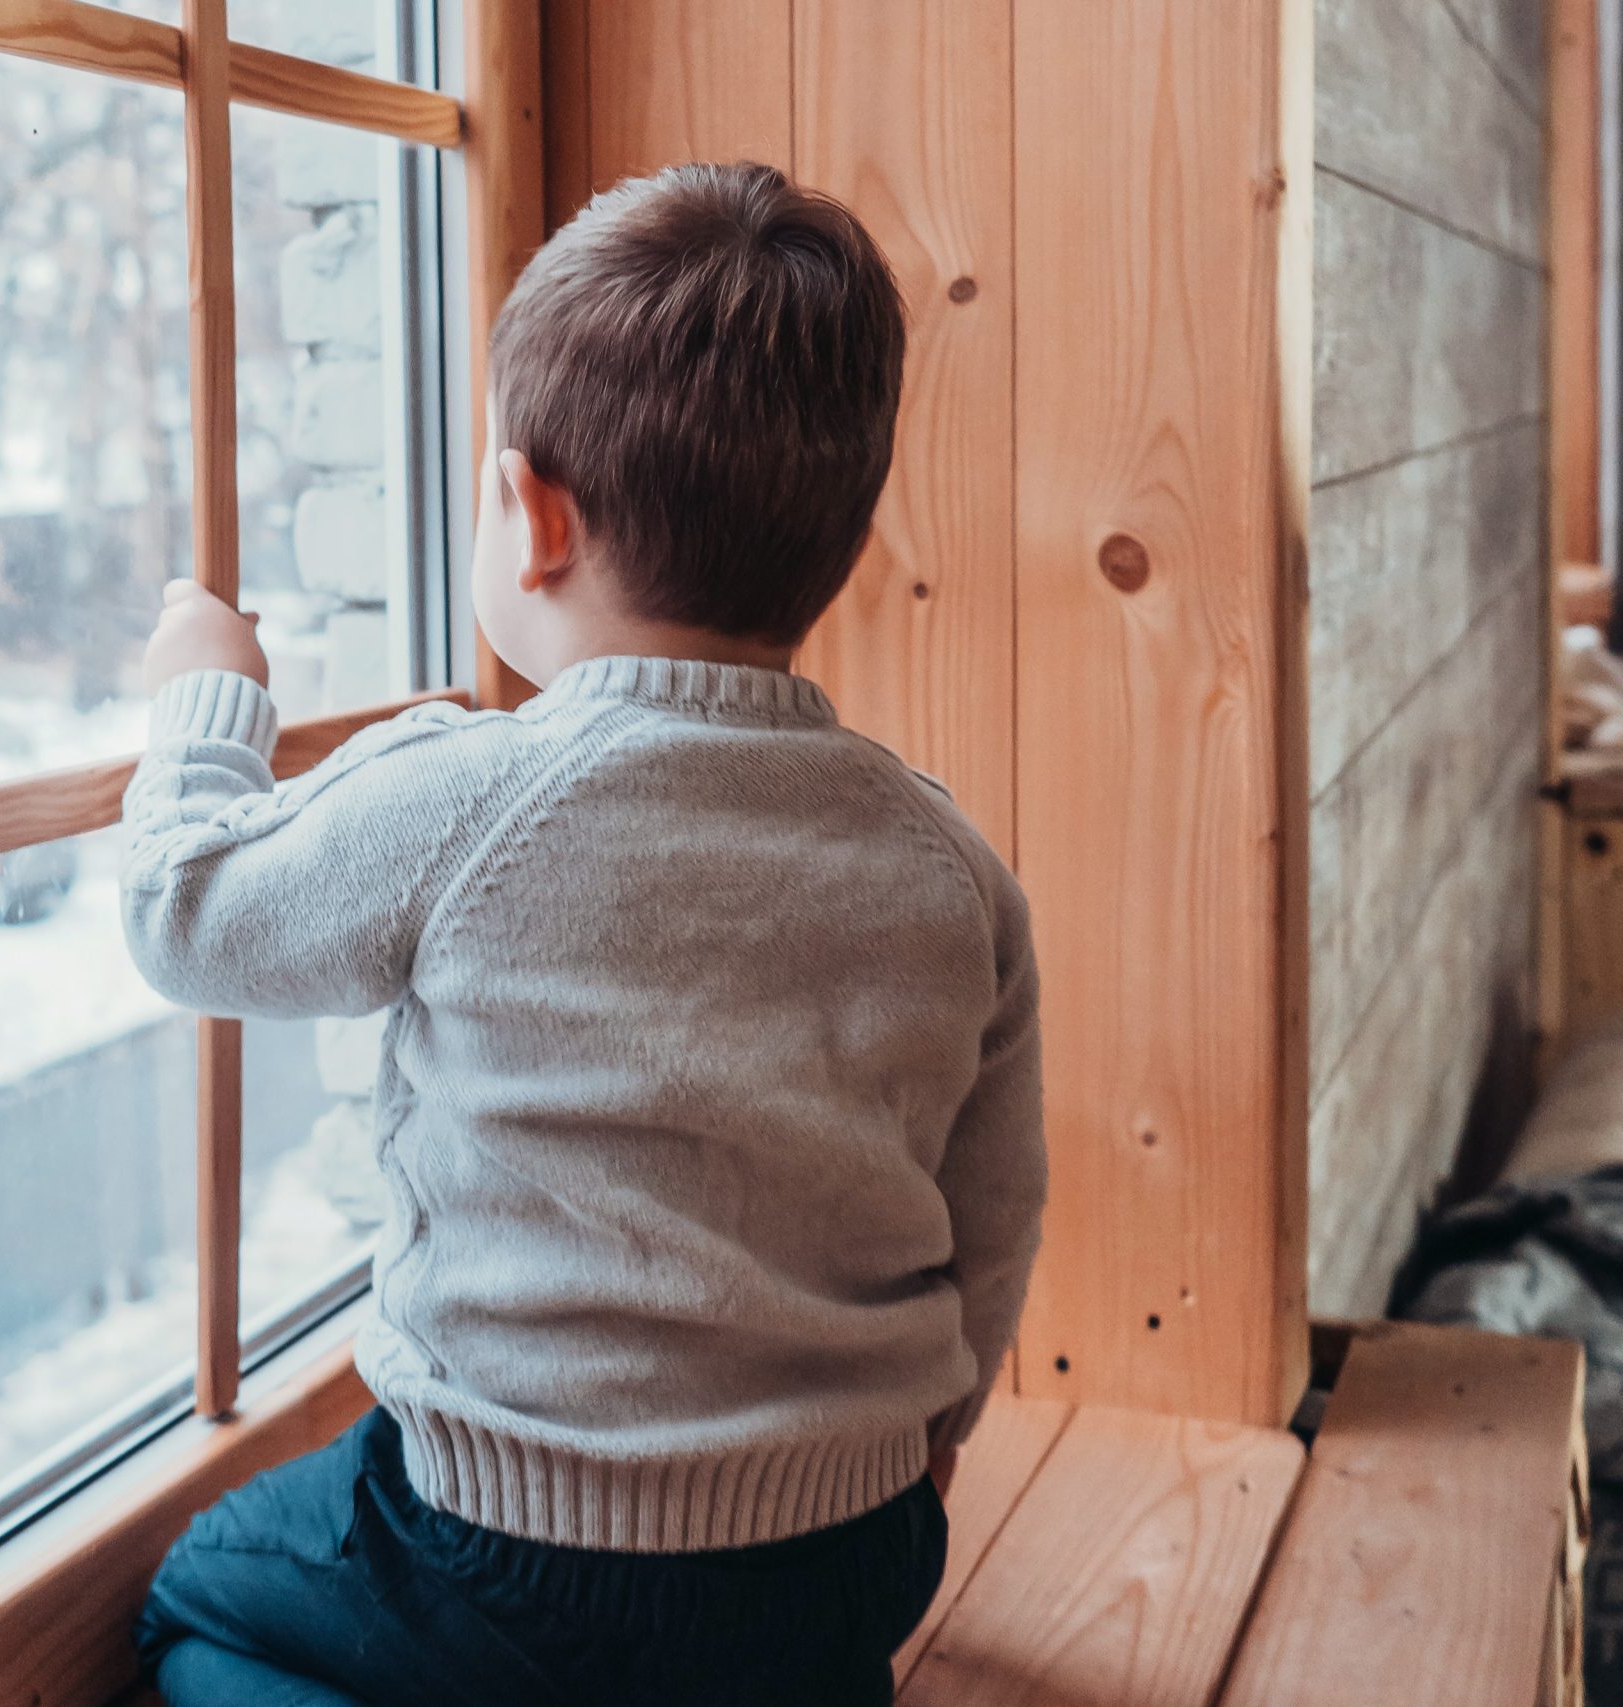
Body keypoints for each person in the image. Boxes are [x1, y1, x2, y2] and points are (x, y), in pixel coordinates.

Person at [118, 161, 1045, 1707]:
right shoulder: (949, 863)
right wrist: (921, 1455)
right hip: (845, 1559)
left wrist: (205, 699)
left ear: (529, 515)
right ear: (846, 530)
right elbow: (993, 1215)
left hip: (503, 1549)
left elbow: (187, 914)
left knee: (199, 1605)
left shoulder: (466, 791)